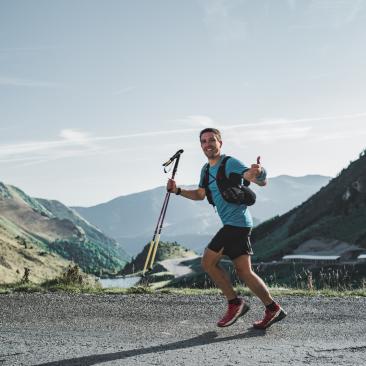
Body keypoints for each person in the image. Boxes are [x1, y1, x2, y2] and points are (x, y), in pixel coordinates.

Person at [167, 128, 286, 329]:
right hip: (236, 225)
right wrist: (177, 190)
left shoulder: (230, 162)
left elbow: (257, 179)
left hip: (237, 224)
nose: (208, 144)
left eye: (212, 140)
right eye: (204, 141)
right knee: (244, 272)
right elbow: (200, 194)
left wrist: (259, 171)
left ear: (220, 143)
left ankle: (235, 303)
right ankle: (273, 308)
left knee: (207, 261)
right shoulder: (206, 170)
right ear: (201, 146)